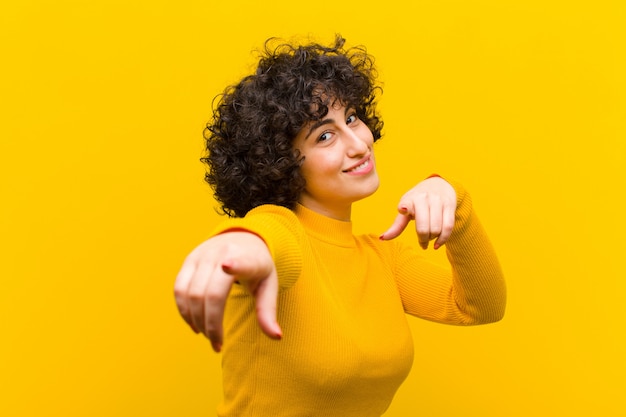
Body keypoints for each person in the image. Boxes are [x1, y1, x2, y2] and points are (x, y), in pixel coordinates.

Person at [174, 35, 506, 417]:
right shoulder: (280, 233)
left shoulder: (384, 258)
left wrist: (454, 198)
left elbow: (480, 307)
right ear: (281, 164)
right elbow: (267, 240)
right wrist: (237, 247)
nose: (359, 145)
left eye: (351, 118)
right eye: (325, 136)